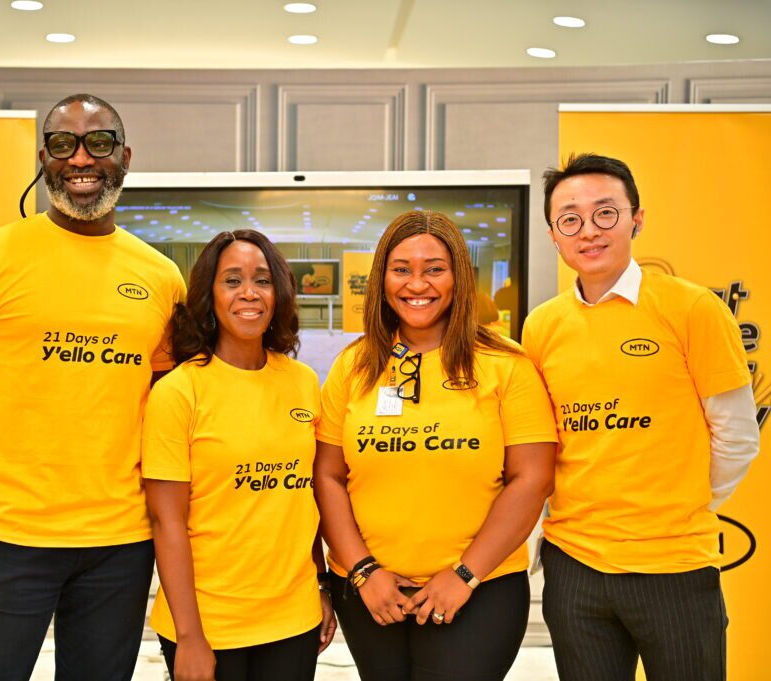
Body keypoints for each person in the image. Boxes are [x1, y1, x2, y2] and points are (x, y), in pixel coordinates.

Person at [0, 93, 185, 681]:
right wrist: (15, 453)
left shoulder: (160, 277)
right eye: (63, 144)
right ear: (43, 157)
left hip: (121, 543)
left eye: (99, 142)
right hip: (11, 537)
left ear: (125, 156)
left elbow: (164, 411)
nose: (81, 158)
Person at [523, 153, 761, 681]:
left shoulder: (693, 308)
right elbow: (541, 443)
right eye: (570, 219)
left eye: (605, 213)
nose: (589, 230)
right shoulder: (541, 326)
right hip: (575, 565)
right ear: (554, 235)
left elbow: (737, 437)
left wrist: (676, 503)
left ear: (637, 218)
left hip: (674, 566)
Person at [314, 210, 557, 681]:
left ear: (459, 277)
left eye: (434, 269)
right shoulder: (354, 365)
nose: (416, 283)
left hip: (478, 590)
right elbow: (327, 475)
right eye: (401, 269)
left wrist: (464, 575)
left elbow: (533, 478)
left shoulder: (506, 365)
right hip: (370, 592)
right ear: (382, 278)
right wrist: (364, 571)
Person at [142, 229, 336, 681]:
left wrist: (322, 585)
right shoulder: (179, 391)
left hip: (294, 618)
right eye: (232, 280)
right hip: (211, 623)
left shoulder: (303, 381)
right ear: (209, 294)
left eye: (262, 280)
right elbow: (166, 521)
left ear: (280, 292)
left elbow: (302, 497)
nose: (249, 293)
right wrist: (189, 637)